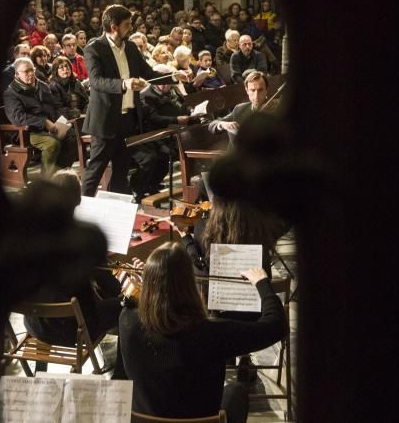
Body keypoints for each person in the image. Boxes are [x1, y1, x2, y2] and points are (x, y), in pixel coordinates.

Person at [119, 242, 285, 423]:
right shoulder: (214, 334)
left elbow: (145, 310)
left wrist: (153, 281)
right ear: (190, 283)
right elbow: (276, 325)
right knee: (236, 392)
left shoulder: (127, 321)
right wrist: (262, 283)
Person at [21, 172, 127, 378]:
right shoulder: (79, 244)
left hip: (35, 325)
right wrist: (123, 294)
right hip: (72, 332)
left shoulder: (28, 241)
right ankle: (121, 375)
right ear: (78, 200)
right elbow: (111, 286)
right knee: (127, 306)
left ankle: (39, 371)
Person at [80, 5, 188, 197]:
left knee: (121, 171)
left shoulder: (130, 47)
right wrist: (125, 84)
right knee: (95, 170)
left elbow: (149, 73)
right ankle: (80, 212)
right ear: (114, 26)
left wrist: (174, 76)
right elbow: (96, 82)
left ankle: (115, 212)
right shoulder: (94, 48)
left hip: (127, 119)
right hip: (105, 120)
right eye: (127, 24)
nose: (131, 28)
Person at [3, 57, 76, 176]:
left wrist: (62, 121)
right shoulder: (11, 93)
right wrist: (44, 122)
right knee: (52, 143)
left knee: (72, 136)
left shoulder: (42, 85)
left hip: (51, 127)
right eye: (27, 71)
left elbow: (56, 105)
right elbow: (18, 117)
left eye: (32, 70)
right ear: (17, 74)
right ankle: (46, 180)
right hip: (29, 131)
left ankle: (58, 174)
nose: (31, 73)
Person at [130, 65, 195, 199]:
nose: (166, 85)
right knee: (160, 155)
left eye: (168, 81)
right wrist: (176, 119)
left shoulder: (174, 90)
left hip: (175, 131)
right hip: (155, 135)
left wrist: (191, 111)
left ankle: (156, 184)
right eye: (162, 81)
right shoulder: (146, 95)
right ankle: (140, 187)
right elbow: (153, 118)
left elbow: (185, 104)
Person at [210, 70, 269, 145]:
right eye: (252, 90)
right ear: (247, 90)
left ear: (267, 90)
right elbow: (212, 124)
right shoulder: (240, 109)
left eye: (260, 90)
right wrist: (222, 124)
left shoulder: (276, 111)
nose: (256, 96)